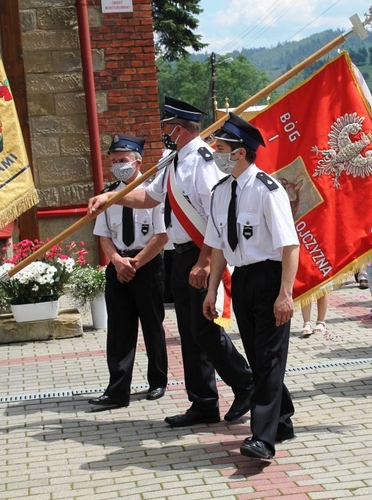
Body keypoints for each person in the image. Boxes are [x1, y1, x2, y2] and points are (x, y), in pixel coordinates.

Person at [88, 98, 253, 428]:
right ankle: (203, 402)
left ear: (178, 129)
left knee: (205, 330)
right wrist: (111, 197)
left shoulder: (203, 162)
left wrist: (206, 261)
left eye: (166, 127)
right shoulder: (172, 161)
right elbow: (149, 197)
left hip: (202, 252)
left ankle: (246, 383)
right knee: (191, 333)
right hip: (180, 255)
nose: (162, 133)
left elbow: (215, 216)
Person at [202, 113, 299, 461]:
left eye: (222, 148)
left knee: (270, 359)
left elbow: (290, 246)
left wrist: (285, 293)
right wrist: (213, 290)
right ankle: (282, 418)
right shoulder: (220, 191)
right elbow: (216, 245)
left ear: (240, 153)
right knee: (259, 358)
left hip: (271, 278)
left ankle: (263, 439)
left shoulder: (267, 191)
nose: (216, 153)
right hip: (242, 280)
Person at [89, 134, 169, 410]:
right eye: (113, 161)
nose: (117, 166)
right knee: (120, 330)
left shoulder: (152, 194)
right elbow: (103, 235)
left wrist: (135, 263)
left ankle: (157, 380)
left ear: (137, 162)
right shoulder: (107, 194)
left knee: (152, 326)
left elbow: (161, 236)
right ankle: (117, 390)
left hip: (146, 265)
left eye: (122, 160)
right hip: (118, 266)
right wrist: (116, 261)